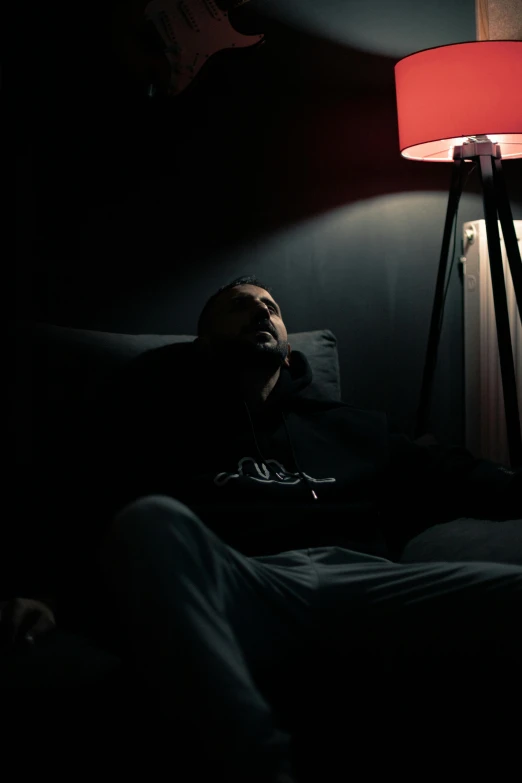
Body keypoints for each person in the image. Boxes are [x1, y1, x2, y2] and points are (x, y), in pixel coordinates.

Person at [58, 276, 522, 780]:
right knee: (149, 521)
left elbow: (459, 474)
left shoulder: (352, 426)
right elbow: (91, 510)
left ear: (285, 350)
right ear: (204, 342)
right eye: (242, 306)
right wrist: (48, 596)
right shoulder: (157, 426)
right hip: (244, 588)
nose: (262, 312)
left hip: (361, 582)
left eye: (271, 307)